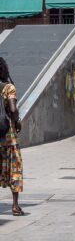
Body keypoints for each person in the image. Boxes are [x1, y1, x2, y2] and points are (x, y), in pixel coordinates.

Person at [0, 58, 23, 216]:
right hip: (8, 137)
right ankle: (15, 206)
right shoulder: (8, 88)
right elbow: (13, 110)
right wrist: (17, 120)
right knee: (15, 168)